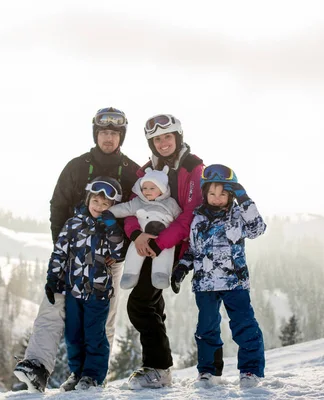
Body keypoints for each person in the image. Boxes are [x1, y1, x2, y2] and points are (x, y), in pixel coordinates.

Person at [14, 107, 140, 392]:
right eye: (104, 133)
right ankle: (37, 366)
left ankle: (93, 375)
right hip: (74, 251)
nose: (108, 138)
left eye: (114, 133)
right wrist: (64, 243)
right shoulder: (77, 167)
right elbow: (58, 204)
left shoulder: (132, 171)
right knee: (53, 305)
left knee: (103, 318)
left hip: (110, 255)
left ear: (121, 136)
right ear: (96, 134)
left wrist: (125, 249)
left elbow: (139, 212)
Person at [123, 114, 209, 389]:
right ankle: (159, 370)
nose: (162, 143)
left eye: (167, 137)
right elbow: (132, 207)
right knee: (152, 304)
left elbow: (191, 215)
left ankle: (158, 368)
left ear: (178, 138)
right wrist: (136, 234)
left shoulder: (193, 168)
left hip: (173, 248)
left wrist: (160, 243)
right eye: (156, 139)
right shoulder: (147, 170)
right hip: (147, 246)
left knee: (140, 304)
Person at [171, 164, 267, 389]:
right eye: (212, 193)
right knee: (206, 329)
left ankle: (250, 371)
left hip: (235, 283)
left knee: (244, 325)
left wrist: (244, 198)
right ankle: (208, 373)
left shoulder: (238, 216)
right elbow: (193, 250)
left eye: (223, 193)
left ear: (231, 195)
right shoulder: (198, 219)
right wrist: (181, 268)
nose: (216, 198)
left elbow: (258, 228)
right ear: (205, 193)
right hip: (205, 284)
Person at [49, 177, 125, 390]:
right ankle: (76, 373)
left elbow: (119, 253)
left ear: (112, 206)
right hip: (74, 291)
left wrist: (111, 226)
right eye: (96, 202)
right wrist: (52, 278)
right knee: (73, 335)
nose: (99, 207)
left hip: (98, 293)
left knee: (94, 336)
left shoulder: (111, 228)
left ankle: (92, 376)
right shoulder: (73, 224)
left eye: (105, 204)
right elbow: (60, 252)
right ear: (88, 199)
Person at [108, 165, 181, 289]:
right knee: (135, 251)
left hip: (163, 238)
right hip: (142, 237)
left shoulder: (171, 203)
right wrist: (108, 211)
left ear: (162, 189)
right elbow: (125, 208)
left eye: (152, 188)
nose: (147, 191)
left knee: (166, 253)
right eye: (144, 188)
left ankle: (161, 275)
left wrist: (185, 237)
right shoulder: (138, 202)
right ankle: (129, 275)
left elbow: (179, 219)